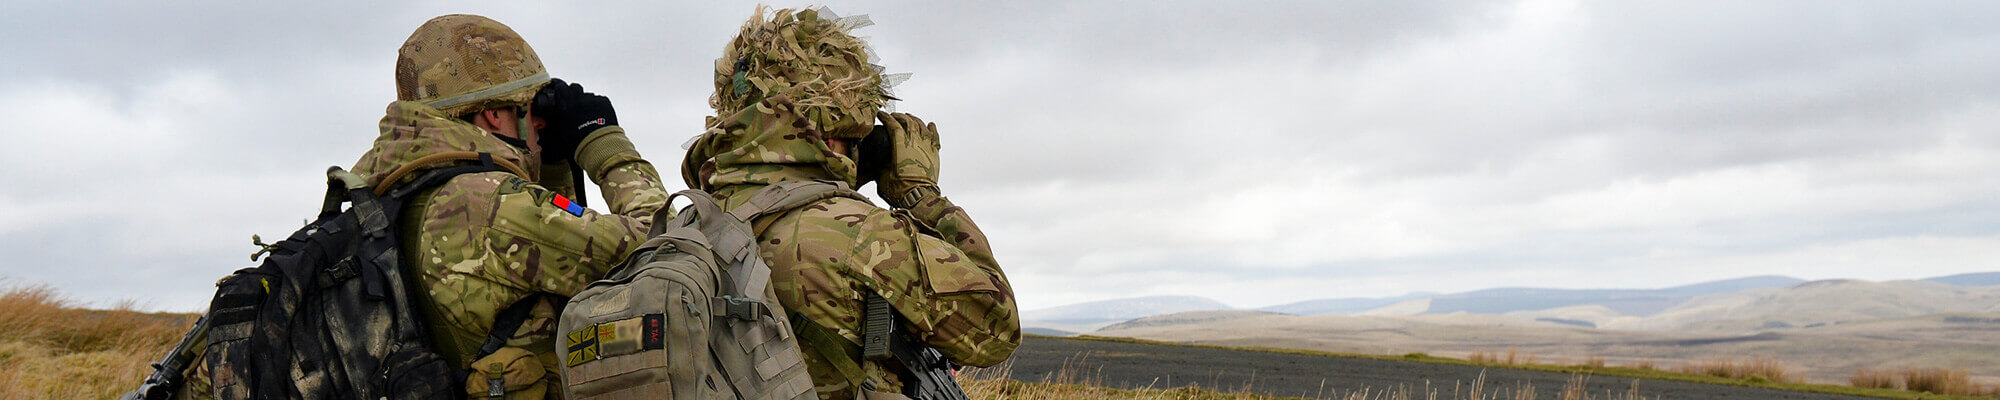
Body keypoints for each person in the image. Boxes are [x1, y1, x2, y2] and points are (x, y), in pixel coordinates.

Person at [178, 14, 669, 400]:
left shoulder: (386, 198)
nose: (542, 125)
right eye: (534, 111)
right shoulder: (493, 208)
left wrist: (552, 158)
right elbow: (668, 248)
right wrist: (603, 140)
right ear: (495, 113)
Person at [679, 8, 1018, 399]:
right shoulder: (857, 234)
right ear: (833, 126)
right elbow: (997, 329)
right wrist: (919, 193)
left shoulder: (687, 223)